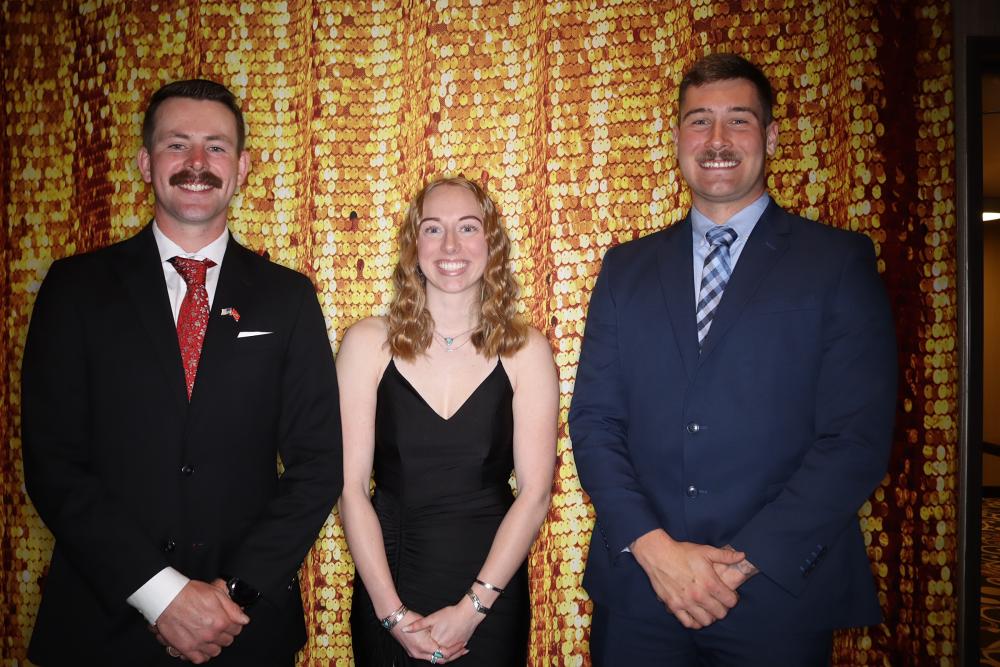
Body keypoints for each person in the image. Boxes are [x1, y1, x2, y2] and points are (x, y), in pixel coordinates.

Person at [569, 53, 897, 665]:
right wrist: (656, 551)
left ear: (769, 138)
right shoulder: (625, 269)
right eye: (699, 121)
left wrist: (740, 564)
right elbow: (594, 421)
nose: (716, 139)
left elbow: (855, 437)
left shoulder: (837, 262)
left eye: (738, 120)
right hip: (643, 591)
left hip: (777, 595)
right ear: (677, 139)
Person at [21, 79, 343, 666]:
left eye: (216, 147)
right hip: (101, 627)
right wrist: (161, 594)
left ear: (241, 168)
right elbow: (53, 464)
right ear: (146, 163)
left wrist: (232, 595)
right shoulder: (74, 289)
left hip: (242, 629)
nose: (197, 163)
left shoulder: (289, 299)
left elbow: (318, 467)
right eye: (177, 144)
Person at [338, 176, 557, 665]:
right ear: (414, 245)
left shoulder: (527, 350)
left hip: (491, 594)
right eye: (433, 229)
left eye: (468, 227)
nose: (451, 246)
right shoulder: (366, 343)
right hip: (389, 587)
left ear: (491, 243)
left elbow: (535, 494)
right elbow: (350, 490)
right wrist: (392, 615)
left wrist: (472, 609)